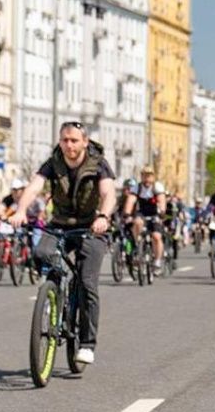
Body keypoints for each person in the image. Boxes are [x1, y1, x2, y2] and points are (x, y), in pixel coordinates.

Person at [11, 121, 117, 366]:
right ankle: (55, 287)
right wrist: (21, 210)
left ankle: (87, 343)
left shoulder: (98, 164)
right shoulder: (53, 163)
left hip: (92, 226)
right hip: (60, 224)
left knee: (87, 282)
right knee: (41, 252)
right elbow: (34, 186)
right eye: (64, 140)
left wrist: (104, 216)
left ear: (85, 142)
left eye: (74, 140)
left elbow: (108, 193)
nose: (69, 145)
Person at [123, 166, 166, 271]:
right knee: (137, 222)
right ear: (141, 177)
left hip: (155, 214)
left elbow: (162, 201)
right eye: (144, 176)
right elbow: (131, 201)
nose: (147, 179)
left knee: (156, 236)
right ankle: (138, 245)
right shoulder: (137, 187)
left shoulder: (157, 187)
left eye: (149, 176)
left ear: (153, 177)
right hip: (142, 212)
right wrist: (127, 213)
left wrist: (161, 213)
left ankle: (157, 260)